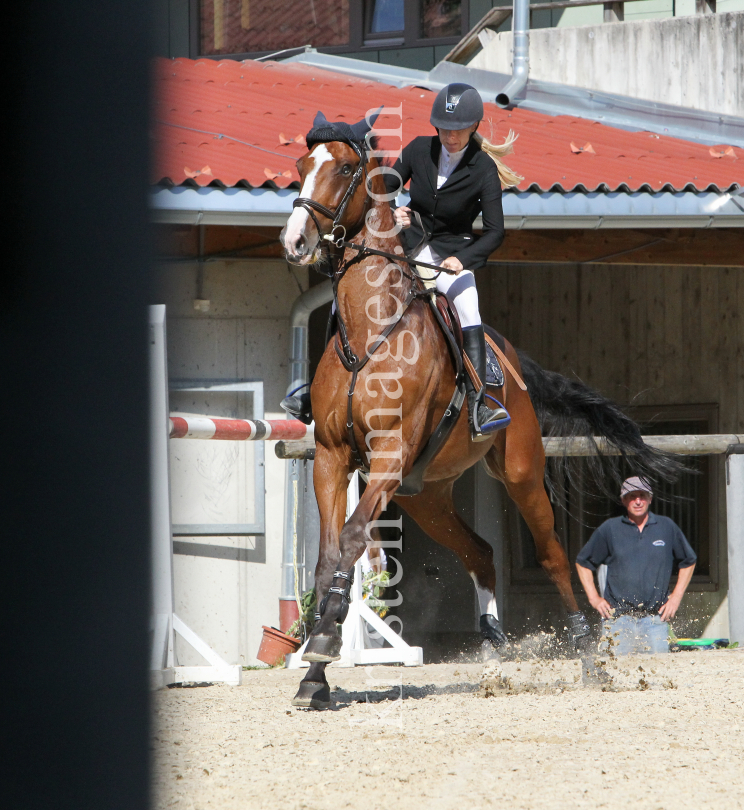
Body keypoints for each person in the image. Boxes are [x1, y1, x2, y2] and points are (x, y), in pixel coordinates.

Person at [383, 83, 522, 440]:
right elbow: (383, 187)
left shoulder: (483, 169)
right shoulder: (417, 149)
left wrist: (463, 260)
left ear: (473, 127)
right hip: (410, 246)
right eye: (444, 129)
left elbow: (495, 233)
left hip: (450, 255)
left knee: (468, 307)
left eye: (458, 130)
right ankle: (312, 389)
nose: (450, 136)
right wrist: (398, 209)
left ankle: (479, 404)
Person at [575, 476, 697, 655]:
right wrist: (594, 598)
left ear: (650, 498)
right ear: (623, 500)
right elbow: (583, 562)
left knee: (658, 676)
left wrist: (676, 597)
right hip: (618, 620)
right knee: (617, 676)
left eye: (642, 495)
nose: (638, 501)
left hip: (655, 620)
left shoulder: (666, 527)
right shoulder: (610, 529)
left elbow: (688, 560)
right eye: (632, 496)